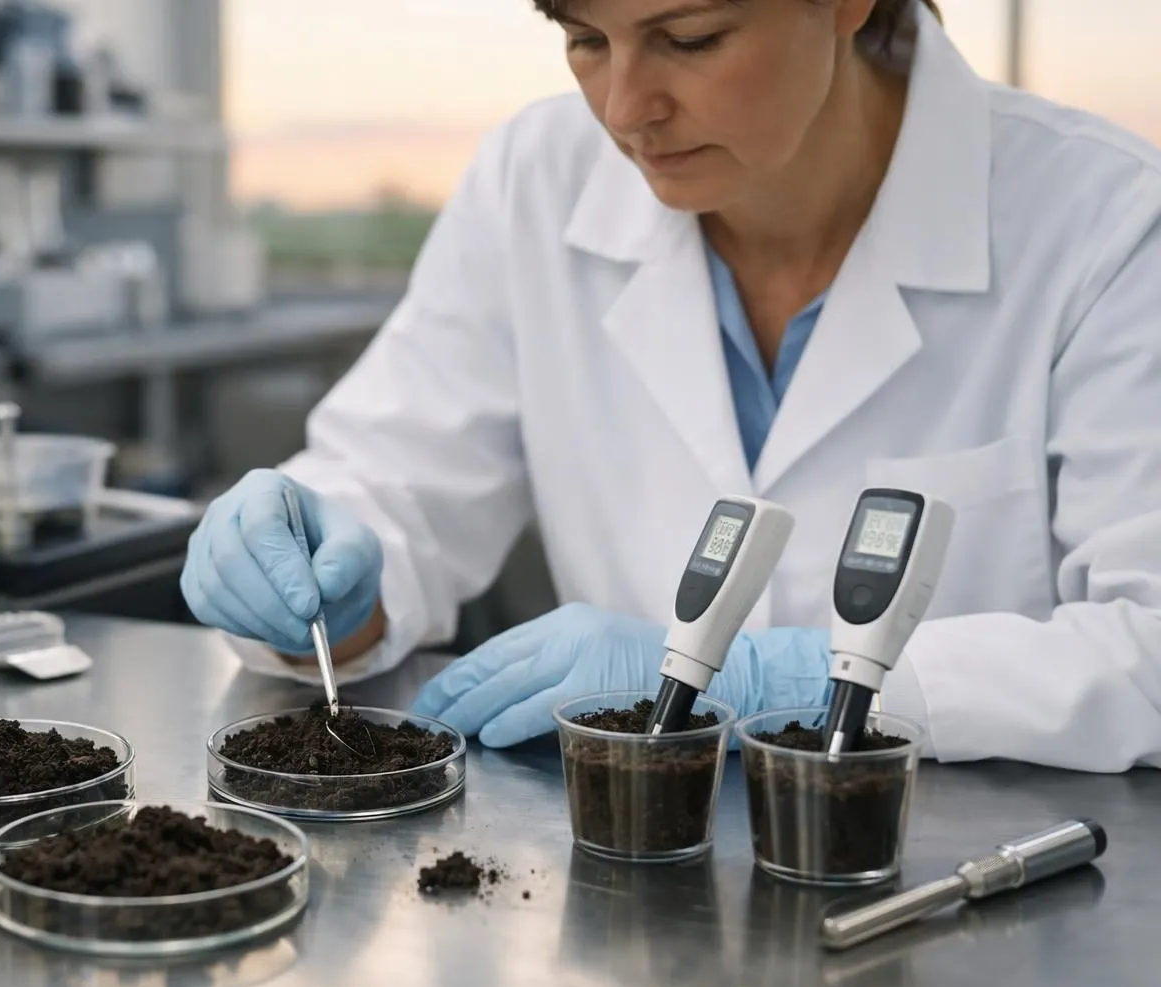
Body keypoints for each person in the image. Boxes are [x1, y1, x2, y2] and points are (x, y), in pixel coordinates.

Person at [180, 0, 1161, 772]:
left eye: (689, 36)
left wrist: (784, 679)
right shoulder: (537, 178)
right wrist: (329, 582)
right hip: (634, 895)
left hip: (991, 907)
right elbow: (396, 481)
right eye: (584, 38)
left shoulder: (1104, 227)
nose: (623, 110)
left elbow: (1148, 649)